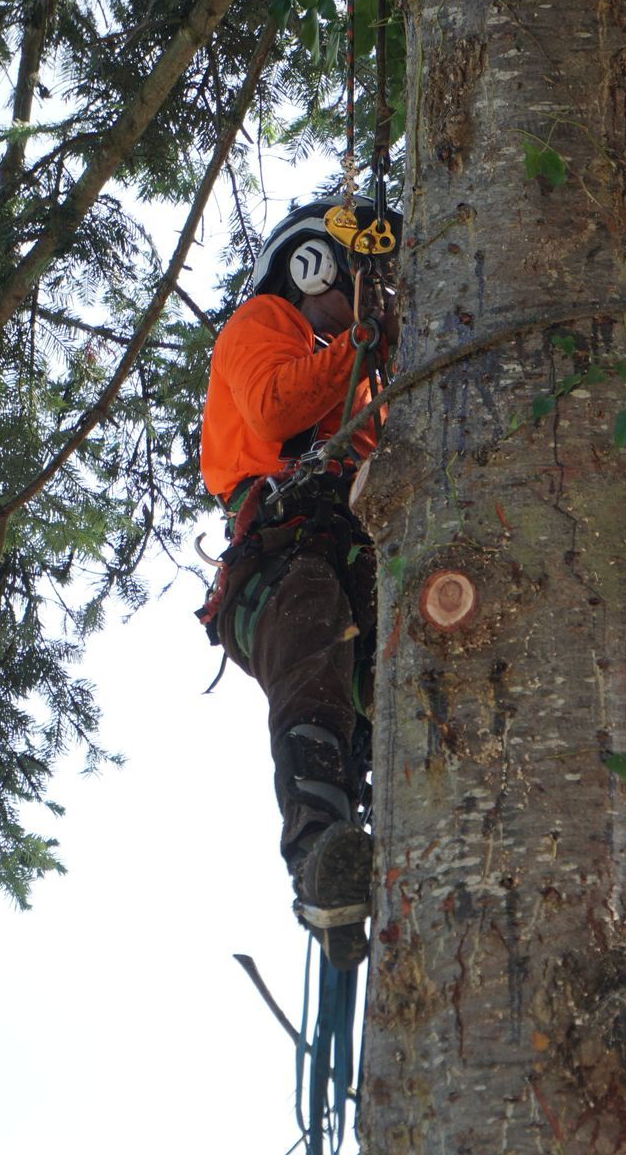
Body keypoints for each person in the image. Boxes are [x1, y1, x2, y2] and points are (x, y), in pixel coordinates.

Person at [197, 197, 399, 969]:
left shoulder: (354, 372)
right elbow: (279, 409)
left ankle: (373, 825)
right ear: (312, 264)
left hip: (354, 554)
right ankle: (319, 858)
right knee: (314, 639)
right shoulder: (263, 325)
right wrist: (359, 342)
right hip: (286, 559)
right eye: (358, 282)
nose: (365, 304)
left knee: (388, 675)